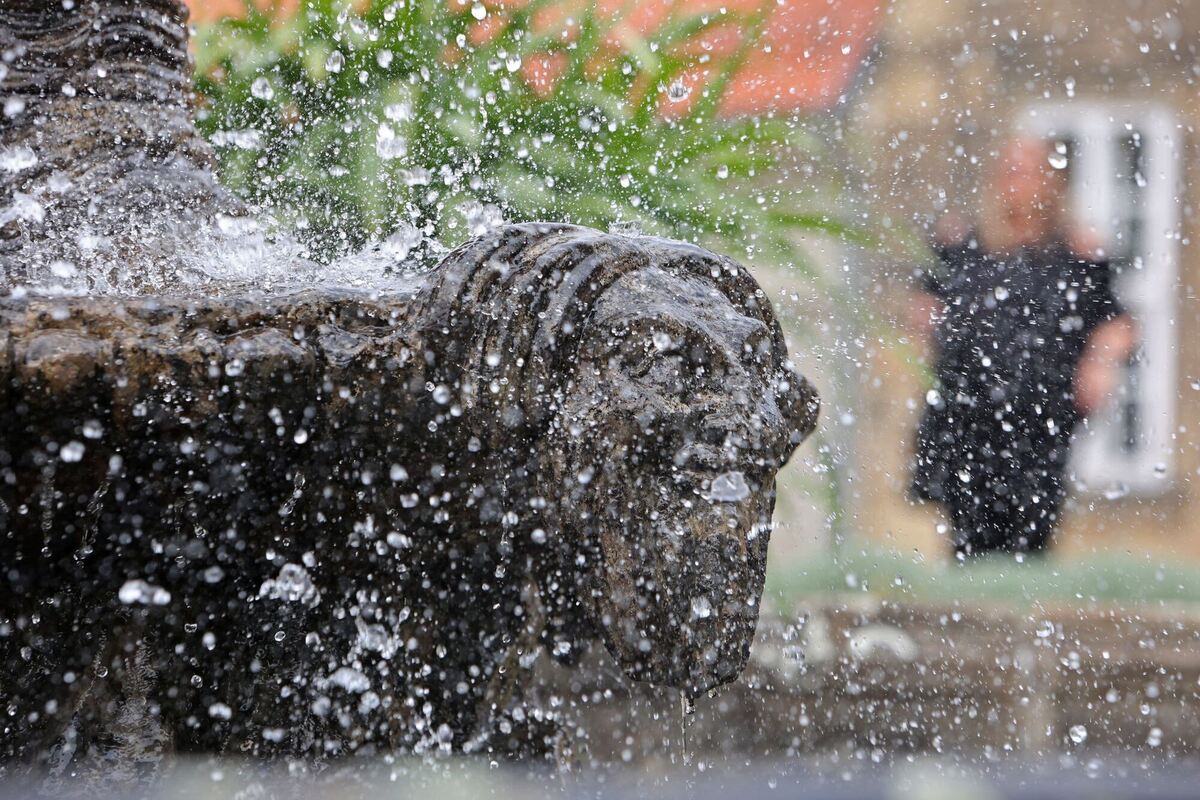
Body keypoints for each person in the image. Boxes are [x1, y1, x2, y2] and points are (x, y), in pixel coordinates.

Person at [908, 137, 1137, 556]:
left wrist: (1100, 362)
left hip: (1040, 415)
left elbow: (1118, 323)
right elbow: (922, 305)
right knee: (969, 532)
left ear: (1051, 182)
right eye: (1008, 169)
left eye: (1027, 170)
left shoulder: (1076, 254)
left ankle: (1023, 615)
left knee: (1031, 525)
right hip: (969, 413)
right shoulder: (966, 246)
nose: (1016, 180)